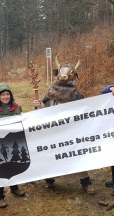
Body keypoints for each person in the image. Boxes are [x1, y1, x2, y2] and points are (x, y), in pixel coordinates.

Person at [32, 61, 95, 195]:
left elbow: (83, 114)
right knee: (52, 155)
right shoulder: (50, 93)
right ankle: (49, 180)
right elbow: (43, 110)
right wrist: (38, 105)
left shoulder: (77, 96)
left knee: (76, 156)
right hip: (53, 132)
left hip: (71, 133)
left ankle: (86, 182)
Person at [0, 83, 26, 208]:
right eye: (3, 94)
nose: (5, 97)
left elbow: (24, 123)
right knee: (0, 168)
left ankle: (14, 188)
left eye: (7, 94)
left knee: (14, 164)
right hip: (0, 145)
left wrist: (23, 117)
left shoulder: (17, 108)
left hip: (14, 143)